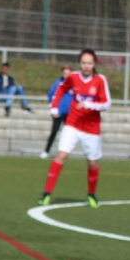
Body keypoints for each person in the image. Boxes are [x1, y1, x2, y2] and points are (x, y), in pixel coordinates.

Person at [38, 49, 110, 208]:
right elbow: (61, 89)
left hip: (91, 128)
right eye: (83, 63)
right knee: (62, 155)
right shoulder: (73, 77)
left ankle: (91, 195)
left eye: (89, 63)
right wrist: (54, 106)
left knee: (92, 163)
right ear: (79, 63)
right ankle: (46, 193)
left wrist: (88, 104)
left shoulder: (100, 80)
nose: (86, 66)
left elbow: (106, 103)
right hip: (73, 124)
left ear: (94, 64)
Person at [41, 64, 73, 159]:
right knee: (54, 132)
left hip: (70, 113)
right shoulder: (58, 83)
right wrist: (54, 107)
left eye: (68, 73)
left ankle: (64, 152)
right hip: (58, 112)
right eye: (64, 73)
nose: (66, 75)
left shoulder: (74, 84)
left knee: (68, 134)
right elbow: (51, 94)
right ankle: (46, 151)